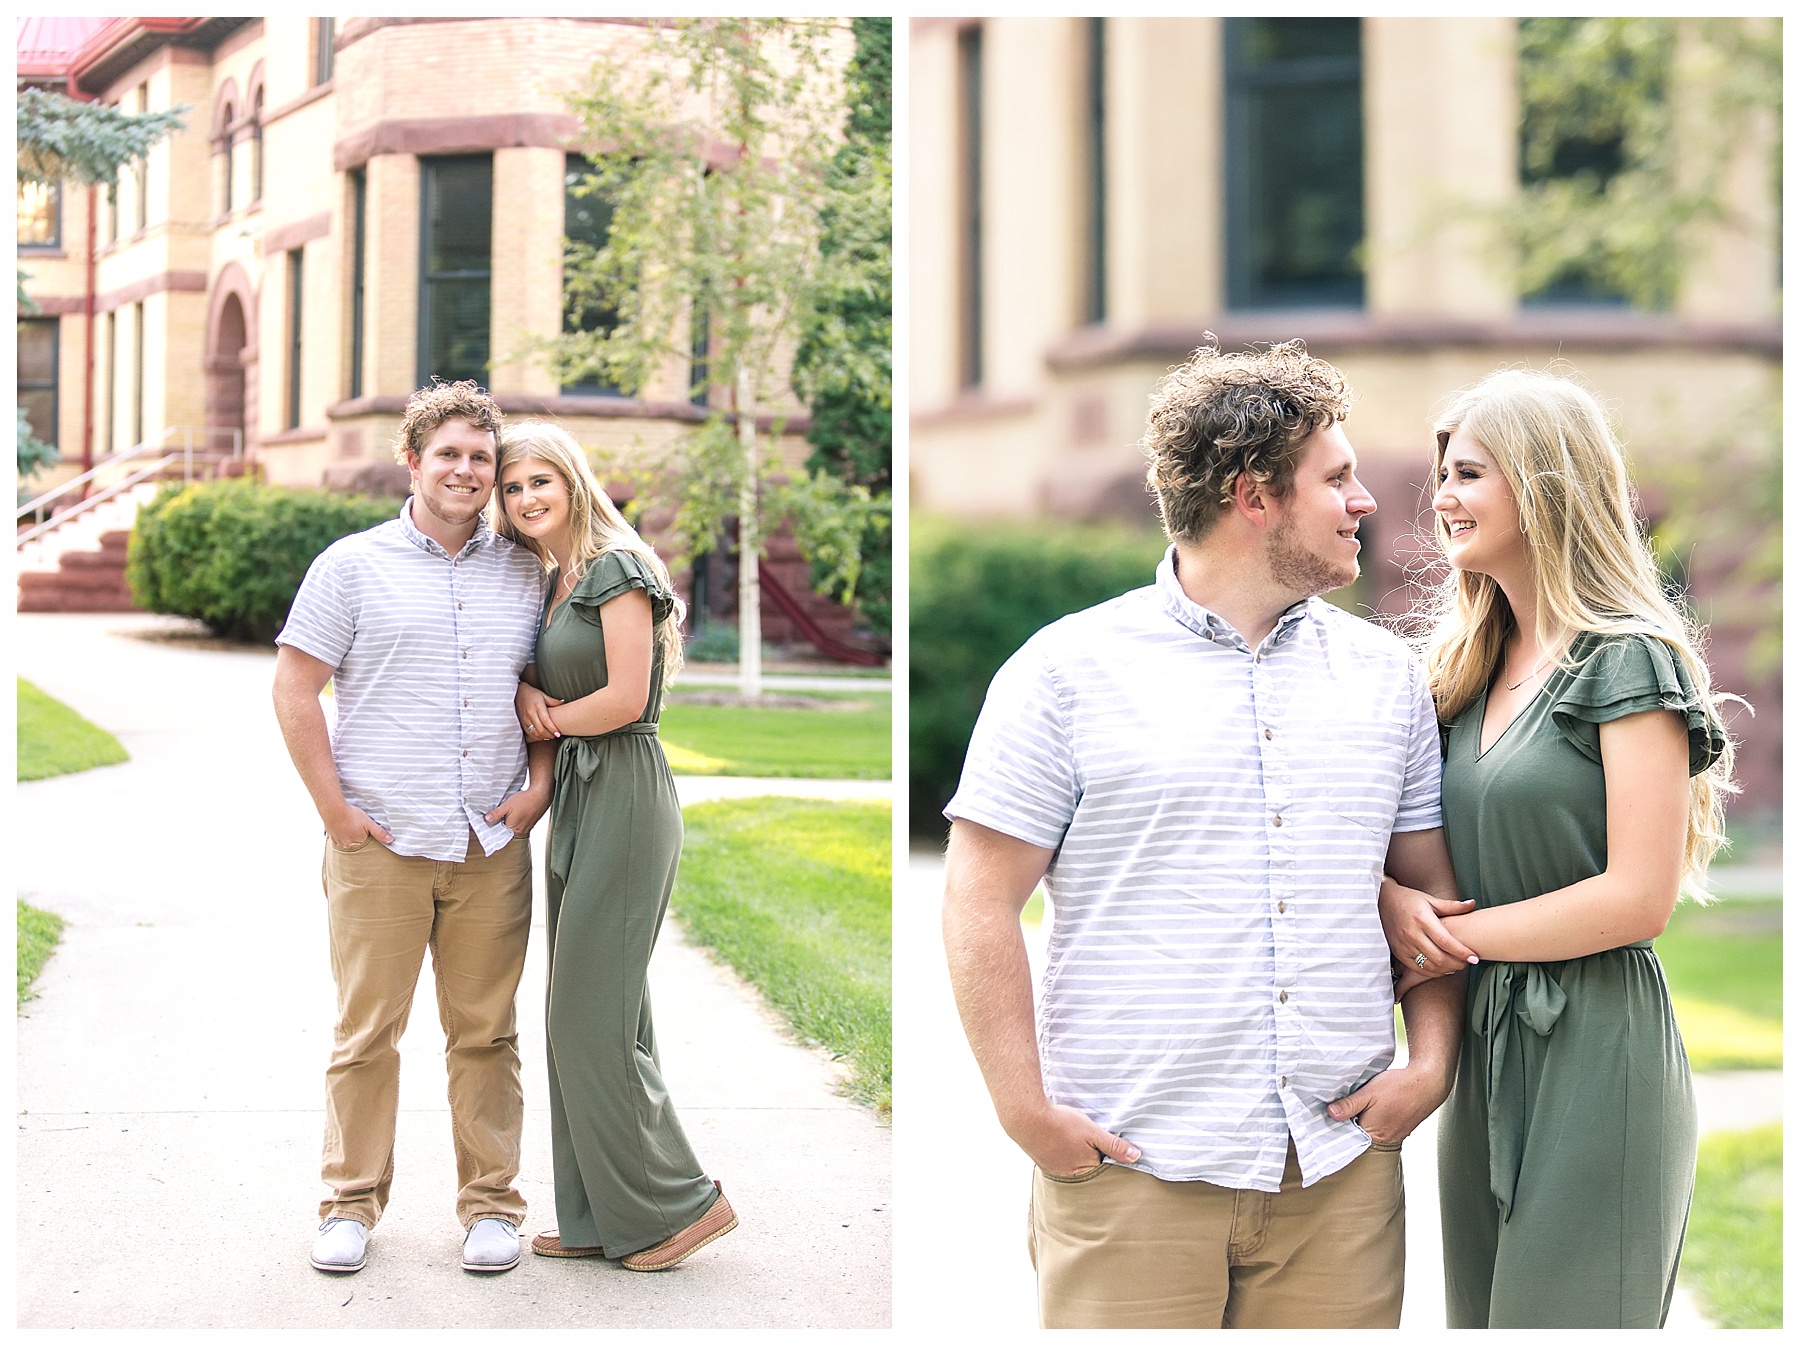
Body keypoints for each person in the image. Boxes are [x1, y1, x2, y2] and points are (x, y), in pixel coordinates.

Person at [942, 341, 1466, 1329]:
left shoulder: (1386, 677)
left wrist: (1429, 1064)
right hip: (1133, 1169)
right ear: (1253, 496)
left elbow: (1429, 896)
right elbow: (978, 897)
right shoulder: (1063, 672)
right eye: (1338, 478)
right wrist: (1025, 1111)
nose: (1364, 501)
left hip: (1338, 1179)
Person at [1382, 369, 1733, 1328]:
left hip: (1596, 1040)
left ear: (1542, 482)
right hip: (1486, 1038)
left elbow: (1637, 898)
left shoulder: (1628, 660)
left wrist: (1451, 937)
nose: (1442, 498)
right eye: (1442, 475)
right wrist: (1393, 902)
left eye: (1468, 474)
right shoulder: (1460, 673)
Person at [272, 380, 554, 1276]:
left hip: (488, 847)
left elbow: (549, 690)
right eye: (450, 455)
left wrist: (539, 787)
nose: (467, 471)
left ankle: (492, 1209)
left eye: (482, 458)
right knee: (367, 1034)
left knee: (487, 1033)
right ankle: (348, 1206)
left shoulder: (528, 570)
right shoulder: (350, 566)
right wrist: (336, 814)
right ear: (413, 462)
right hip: (380, 846)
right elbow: (293, 688)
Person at [493, 420, 738, 1272]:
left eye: (539, 483)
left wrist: (542, 710)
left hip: (627, 792)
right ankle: (602, 1215)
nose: (526, 499)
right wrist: (538, 775)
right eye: (513, 486)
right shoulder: (553, 580)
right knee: (595, 1011)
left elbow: (626, 699)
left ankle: (680, 1205)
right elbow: (561, 700)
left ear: (572, 482)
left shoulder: (617, 569)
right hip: (582, 799)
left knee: (586, 1016)